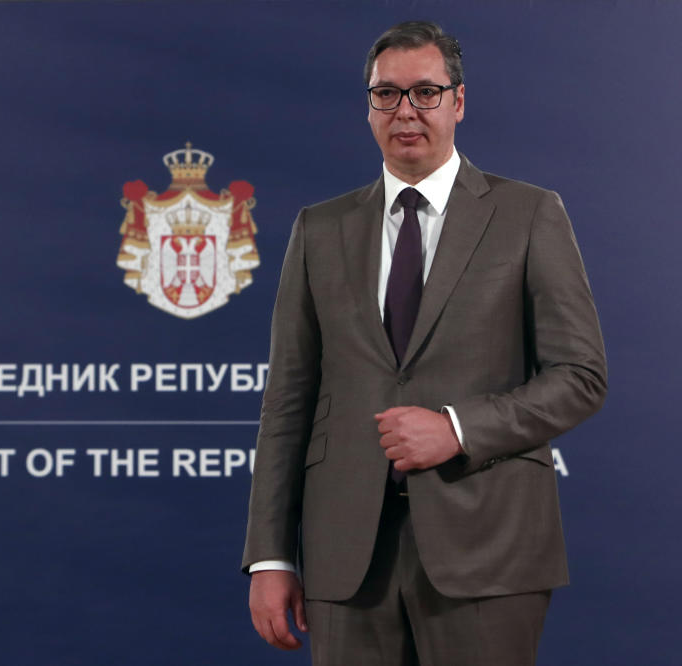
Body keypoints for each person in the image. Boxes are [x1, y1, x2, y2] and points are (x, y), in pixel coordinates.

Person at [241, 20, 606, 666]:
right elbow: (289, 402)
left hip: (489, 553)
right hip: (347, 563)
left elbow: (580, 375)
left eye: (426, 93)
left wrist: (457, 428)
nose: (405, 111)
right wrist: (271, 555)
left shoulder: (529, 214)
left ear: (458, 102)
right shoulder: (318, 230)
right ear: (368, 107)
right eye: (387, 94)